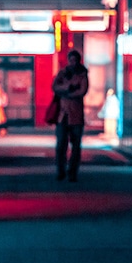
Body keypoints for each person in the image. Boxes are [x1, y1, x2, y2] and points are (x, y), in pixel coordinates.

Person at [51, 49, 90, 181]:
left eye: (75, 60)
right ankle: (60, 171)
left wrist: (68, 92)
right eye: (71, 60)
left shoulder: (82, 74)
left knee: (76, 145)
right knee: (61, 144)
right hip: (63, 114)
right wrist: (68, 88)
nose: (72, 63)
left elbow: (82, 90)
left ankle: (72, 172)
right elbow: (55, 86)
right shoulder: (63, 73)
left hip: (76, 115)